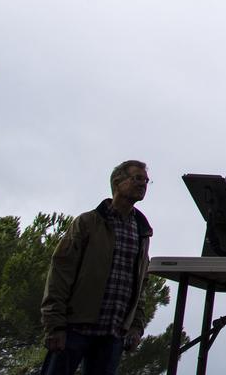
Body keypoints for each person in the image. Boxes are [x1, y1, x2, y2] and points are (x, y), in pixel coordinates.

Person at [40, 159, 153, 375]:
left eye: (146, 181)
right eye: (138, 178)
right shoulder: (88, 223)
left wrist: (136, 326)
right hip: (75, 328)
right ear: (117, 182)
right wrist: (55, 324)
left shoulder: (141, 232)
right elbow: (60, 272)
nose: (143, 184)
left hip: (113, 334)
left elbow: (140, 285)